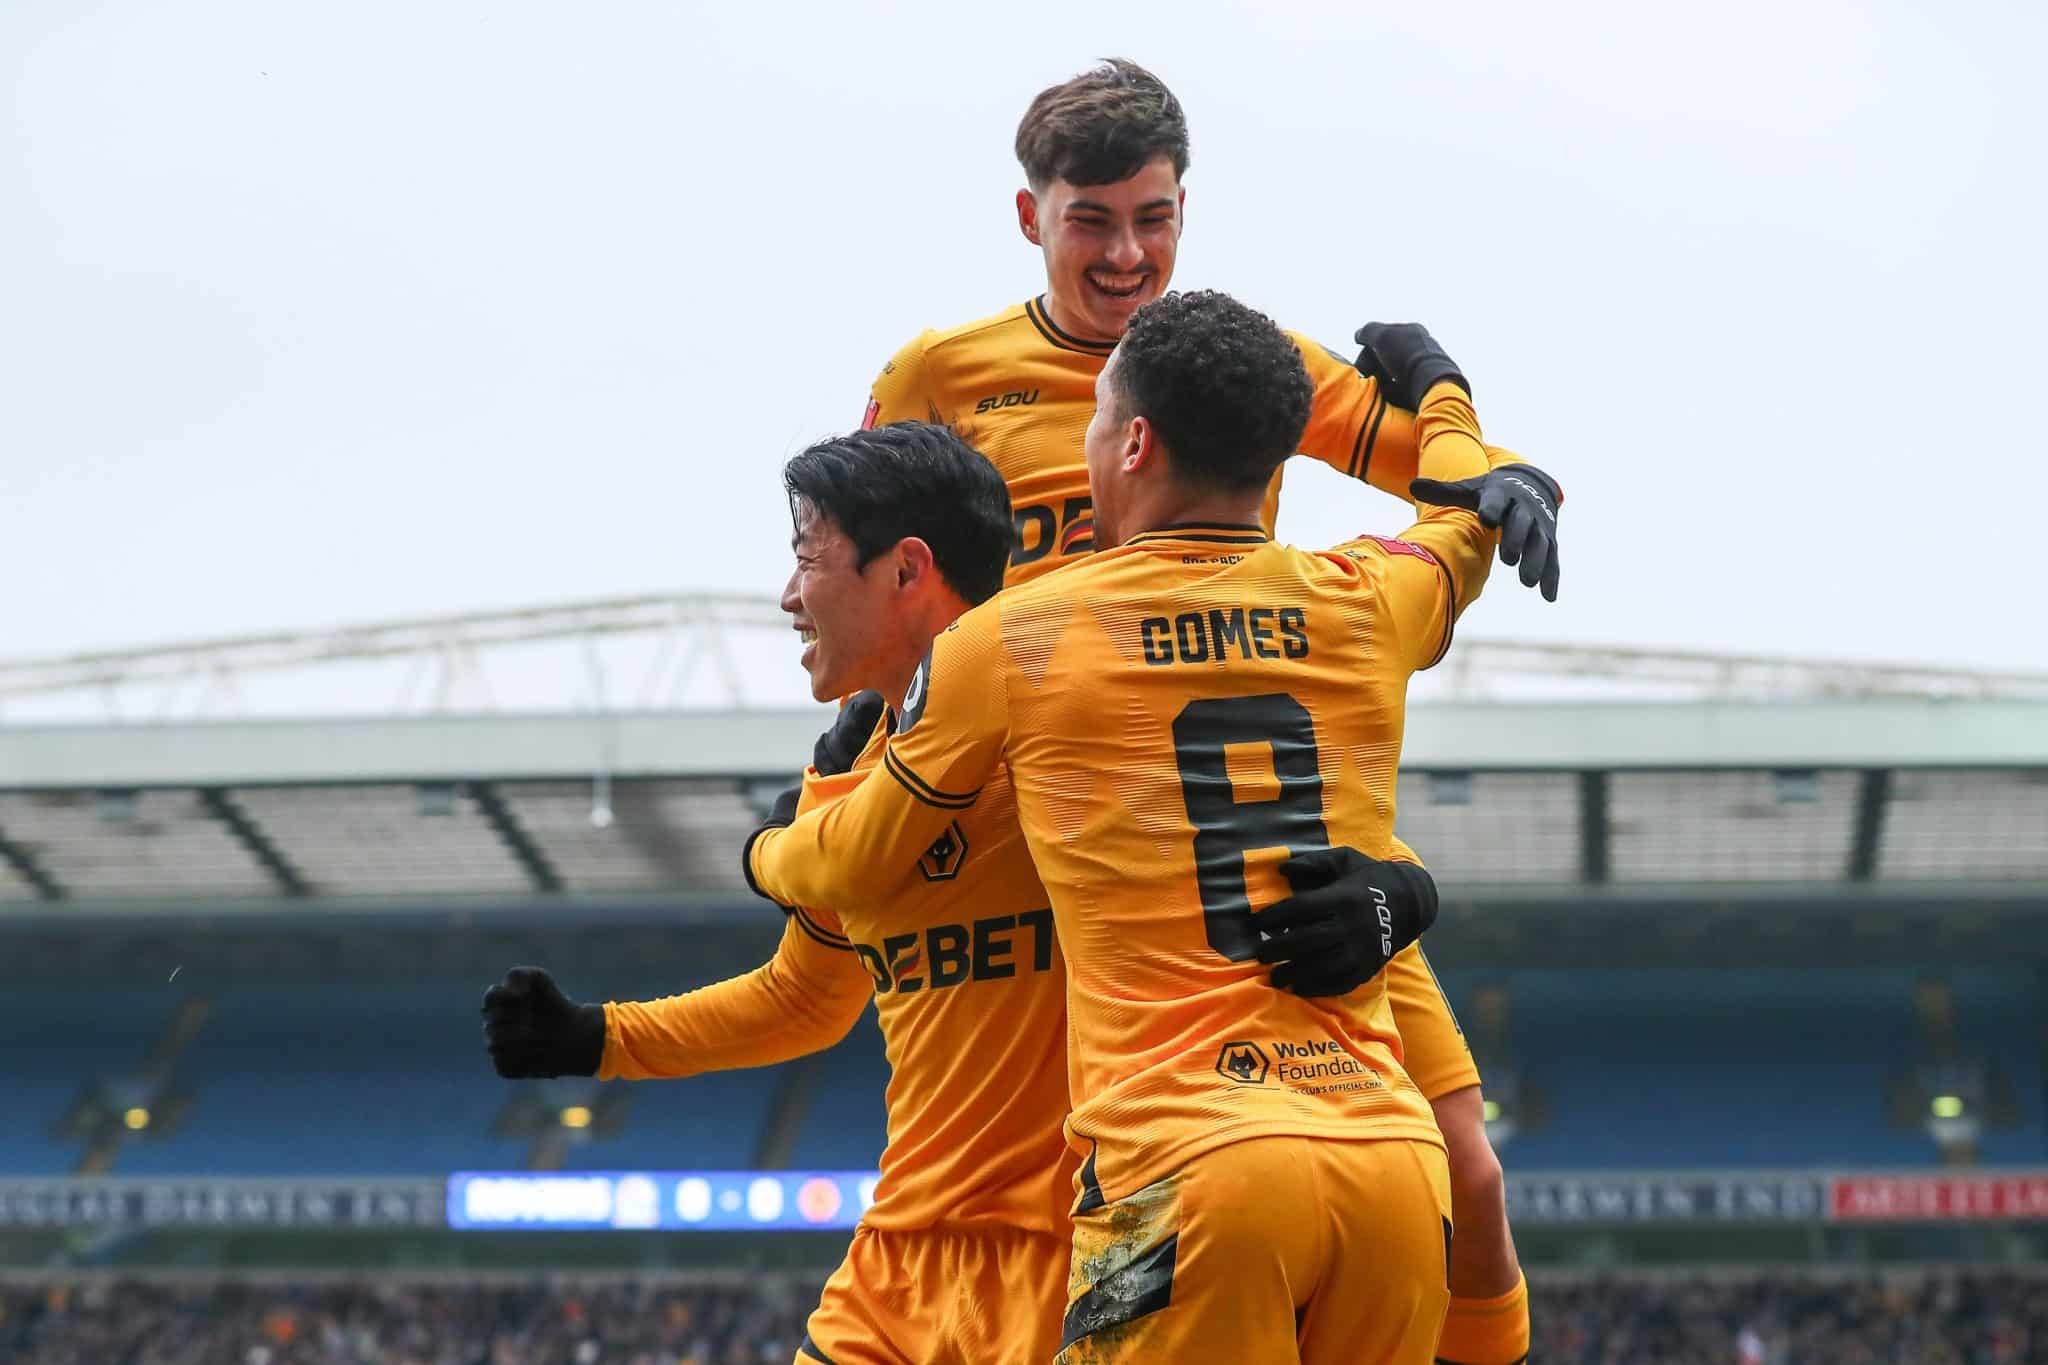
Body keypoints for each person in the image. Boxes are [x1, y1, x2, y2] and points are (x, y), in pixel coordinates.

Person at [481, 420, 1445, 1364]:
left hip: (1081, 1256)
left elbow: (1269, 826)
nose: (786, 596)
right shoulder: (848, 770)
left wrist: (1403, 888)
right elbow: (805, 996)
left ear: (905, 570)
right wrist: (600, 1037)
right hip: (896, 1266)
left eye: (806, 559)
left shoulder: (1072, 730)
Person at [861, 57, 1542, 1364]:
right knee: (1010, 1188)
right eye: (1092, 220)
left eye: (1153, 216)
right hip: (1055, 831)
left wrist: (1493, 468)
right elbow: (872, 567)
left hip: (1253, 831)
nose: (1127, 253)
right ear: (1030, 218)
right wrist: (861, 750)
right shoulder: (941, 375)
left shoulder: (1248, 361)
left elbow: (1442, 486)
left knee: (1473, 1171)